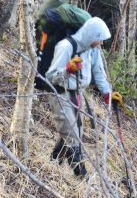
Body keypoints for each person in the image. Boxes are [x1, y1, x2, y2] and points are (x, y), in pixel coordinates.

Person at [45, 17, 121, 177]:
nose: (101, 44)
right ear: (92, 36)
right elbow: (50, 77)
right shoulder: (65, 47)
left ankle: (53, 165)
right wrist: (67, 70)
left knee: (74, 133)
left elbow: (99, 72)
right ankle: (81, 178)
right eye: (99, 40)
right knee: (73, 138)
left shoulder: (92, 50)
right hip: (60, 93)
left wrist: (108, 93)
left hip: (77, 94)